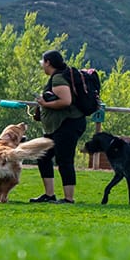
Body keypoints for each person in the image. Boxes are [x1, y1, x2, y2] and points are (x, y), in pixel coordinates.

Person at [30, 50, 88, 203]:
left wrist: (45, 104)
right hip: (56, 127)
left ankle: (68, 198)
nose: (42, 65)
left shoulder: (58, 79)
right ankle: (49, 195)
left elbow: (66, 101)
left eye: (43, 62)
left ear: (48, 62)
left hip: (68, 124)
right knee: (43, 156)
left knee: (64, 160)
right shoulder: (58, 77)